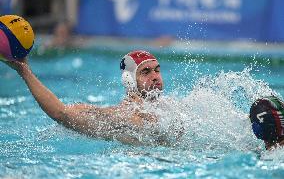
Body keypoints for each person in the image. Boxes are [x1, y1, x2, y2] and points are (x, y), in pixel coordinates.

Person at [2, 50, 165, 145]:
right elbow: (61, 113)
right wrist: (24, 71)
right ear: (129, 81)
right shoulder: (121, 117)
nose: (155, 76)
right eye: (146, 72)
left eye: (157, 70)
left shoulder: (170, 107)